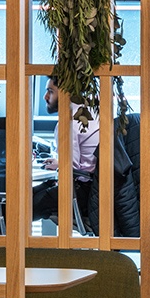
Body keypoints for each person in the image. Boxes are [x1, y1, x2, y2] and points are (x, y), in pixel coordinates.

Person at [32, 74, 101, 224]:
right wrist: (60, 163)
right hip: (95, 186)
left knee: (27, 205)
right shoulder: (91, 111)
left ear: (66, 93)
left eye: (50, 91)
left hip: (85, 192)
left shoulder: (69, 122)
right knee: (32, 194)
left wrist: (61, 165)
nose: (45, 97)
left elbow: (71, 169)